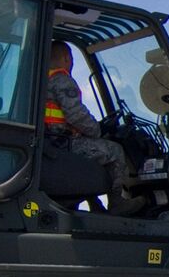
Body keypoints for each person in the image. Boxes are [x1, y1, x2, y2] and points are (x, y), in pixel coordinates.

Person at [45, 41, 142, 217]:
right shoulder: (62, 80)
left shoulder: (43, 81)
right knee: (114, 151)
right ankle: (117, 203)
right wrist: (97, 130)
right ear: (67, 58)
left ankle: (95, 203)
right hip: (65, 145)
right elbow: (76, 115)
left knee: (95, 152)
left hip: (51, 142)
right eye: (71, 59)